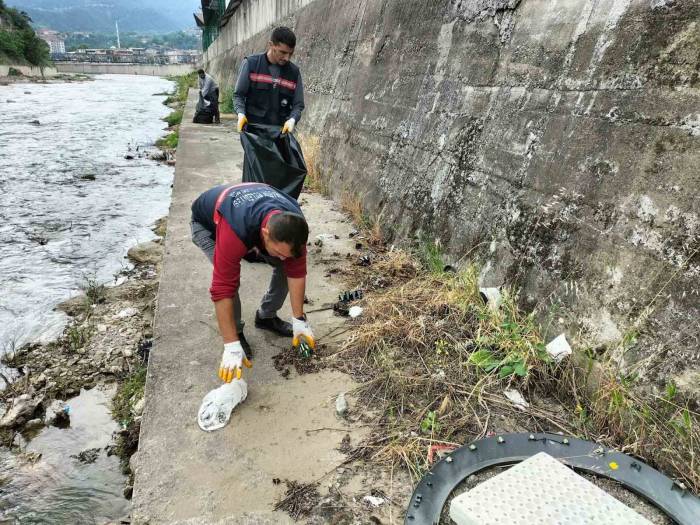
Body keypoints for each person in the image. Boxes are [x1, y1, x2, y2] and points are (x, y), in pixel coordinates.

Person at [190, 182, 316, 382]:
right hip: (208, 225)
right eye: (278, 252)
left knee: (286, 265)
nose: (282, 258)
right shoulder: (236, 228)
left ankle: (266, 317)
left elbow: (297, 272)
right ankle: (237, 333)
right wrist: (230, 344)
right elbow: (222, 288)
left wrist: (299, 320)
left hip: (253, 217)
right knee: (231, 282)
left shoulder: (295, 224)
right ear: (266, 233)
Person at [234, 26, 304, 134]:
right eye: (283, 52)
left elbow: (298, 105)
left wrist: (292, 119)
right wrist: (241, 114)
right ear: (271, 45)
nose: (287, 58)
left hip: (280, 135)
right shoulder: (251, 65)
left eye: (290, 53)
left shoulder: (294, 73)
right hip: (254, 134)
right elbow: (239, 95)